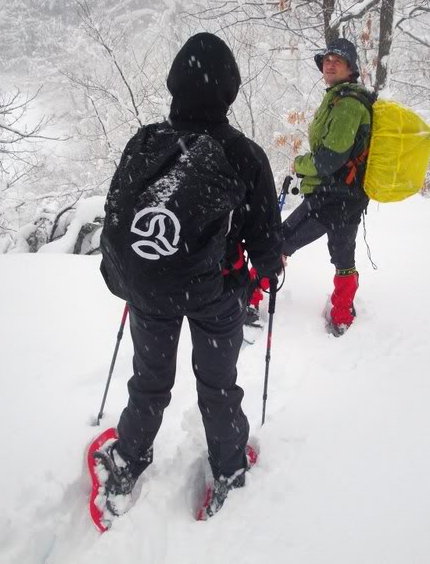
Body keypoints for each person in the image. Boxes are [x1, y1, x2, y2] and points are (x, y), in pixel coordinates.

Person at [97, 33, 284, 520]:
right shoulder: (244, 155)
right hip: (215, 292)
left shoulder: (144, 142)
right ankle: (228, 468)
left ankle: (127, 459)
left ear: (173, 85)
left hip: (150, 291)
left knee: (150, 380)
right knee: (218, 385)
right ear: (231, 91)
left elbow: (119, 214)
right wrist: (267, 274)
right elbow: (266, 238)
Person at [250, 37, 372, 335]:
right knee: (344, 257)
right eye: (327, 59)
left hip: (330, 197)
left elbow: (330, 158)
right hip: (351, 197)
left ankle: (247, 299)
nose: (330, 63)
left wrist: (300, 164)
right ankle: (342, 314)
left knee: (278, 242)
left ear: (350, 69)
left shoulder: (347, 105)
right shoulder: (343, 99)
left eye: (338, 60)